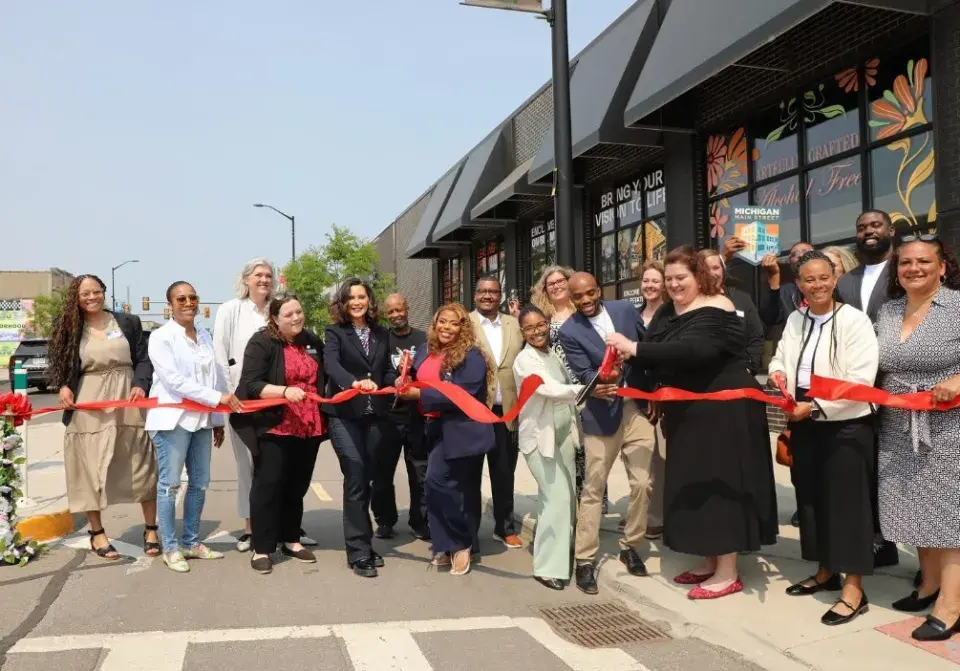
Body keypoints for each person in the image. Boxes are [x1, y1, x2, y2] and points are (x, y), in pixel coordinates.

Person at [607, 246, 778, 599]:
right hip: (689, 412)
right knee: (696, 484)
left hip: (725, 412)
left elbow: (693, 351)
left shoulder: (719, 306)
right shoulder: (671, 309)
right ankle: (708, 558)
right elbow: (654, 346)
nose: (673, 285)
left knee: (721, 484)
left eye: (680, 278)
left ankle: (728, 571)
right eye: (668, 279)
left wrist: (634, 349)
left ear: (699, 276)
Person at [768, 251, 879, 626]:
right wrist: (778, 375)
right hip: (803, 421)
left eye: (822, 278)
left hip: (844, 423)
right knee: (811, 499)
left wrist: (814, 406)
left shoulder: (855, 320)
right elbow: (781, 357)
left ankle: (854, 589)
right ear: (798, 284)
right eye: (807, 279)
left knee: (847, 505)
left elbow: (861, 380)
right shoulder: (797, 319)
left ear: (835, 279)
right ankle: (825, 570)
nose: (815, 285)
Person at [875, 233, 960, 641]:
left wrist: (958, 380)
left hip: (947, 424)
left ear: (942, 266)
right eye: (905, 262)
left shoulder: (957, 306)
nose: (913, 268)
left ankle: (952, 604)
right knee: (911, 503)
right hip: (896, 423)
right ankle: (929, 584)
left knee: (947, 512)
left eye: (923, 261)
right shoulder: (888, 311)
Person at [558, 272, 656, 595]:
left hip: (635, 408)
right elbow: (582, 371)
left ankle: (630, 545)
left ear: (598, 290)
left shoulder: (625, 312)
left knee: (643, 482)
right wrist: (600, 381)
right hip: (601, 414)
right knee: (593, 488)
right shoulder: (570, 331)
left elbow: (647, 349)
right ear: (571, 299)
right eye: (578, 297)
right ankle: (584, 560)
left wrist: (652, 391)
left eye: (589, 294)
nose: (585, 301)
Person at [48, 274, 159, 560]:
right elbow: (62, 363)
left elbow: (143, 359)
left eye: (96, 292)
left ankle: (151, 529)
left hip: (127, 398)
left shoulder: (127, 322)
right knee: (88, 467)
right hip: (89, 402)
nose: (91, 297)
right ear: (76, 297)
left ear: (104, 292)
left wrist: (140, 383)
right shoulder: (71, 328)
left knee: (141, 463)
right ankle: (97, 534)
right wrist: (63, 386)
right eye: (85, 294)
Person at [213, 259, 317, 552]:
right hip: (243, 397)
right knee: (250, 466)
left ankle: (287, 527)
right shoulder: (230, 310)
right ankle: (252, 527)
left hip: (284, 403)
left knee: (284, 468)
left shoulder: (282, 306)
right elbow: (220, 356)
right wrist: (226, 399)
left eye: (268, 275)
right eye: (258, 275)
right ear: (245, 279)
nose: (264, 280)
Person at [146, 281, 243, 573]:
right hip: (173, 421)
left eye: (193, 297)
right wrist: (218, 399)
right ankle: (171, 547)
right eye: (181, 298)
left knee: (200, 483)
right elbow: (174, 381)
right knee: (170, 485)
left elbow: (213, 378)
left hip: (201, 421)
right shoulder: (161, 337)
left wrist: (217, 420)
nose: (188, 302)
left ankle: (190, 541)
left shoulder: (203, 335)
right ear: (170, 305)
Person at [399, 303, 495, 576]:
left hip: (462, 429)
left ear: (463, 327)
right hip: (431, 426)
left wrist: (419, 396)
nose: (447, 328)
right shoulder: (426, 350)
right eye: (442, 321)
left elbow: (462, 393)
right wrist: (403, 381)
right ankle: (446, 545)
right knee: (436, 489)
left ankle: (463, 544)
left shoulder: (472, 355)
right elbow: (416, 376)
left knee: (440, 483)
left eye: (454, 323)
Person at [232, 293, 325, 575]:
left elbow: (325, 374)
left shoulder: (309, 340)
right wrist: (284, 391)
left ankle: (291, 539)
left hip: (308, 424)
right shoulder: (262, 342)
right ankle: (261, 547)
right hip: (276, 424)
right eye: (288, 314)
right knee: (268, 486)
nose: (296, 318)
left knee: (297, 485)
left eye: (299, 312)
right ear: (274, 318)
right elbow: (250, 384)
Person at [837, 210, 900, 570]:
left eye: (875, 226)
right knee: (870, 465)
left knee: (905, 468)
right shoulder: (846, 281)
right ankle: (881, 541)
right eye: (861, 228)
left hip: (899, 383)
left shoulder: (905, 270)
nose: (868, 232)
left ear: (890, 230)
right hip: (860, 386)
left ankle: (931, 558)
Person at [322, 278, 396, 578]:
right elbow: (332, 365)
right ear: (343, 302)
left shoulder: (381, 333)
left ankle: (364, 542)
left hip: (374, 416)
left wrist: (393, 383)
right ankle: (358, 552)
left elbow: (388, 370)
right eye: (351, 297)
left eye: (362, 297)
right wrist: (354, 383)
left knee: (368, 477)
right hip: (344, 415)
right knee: (355, 475)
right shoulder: (335, 332)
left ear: (369, 300)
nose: (357, 302)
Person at [530, 265, 611, 513]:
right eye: (550, 283)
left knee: (589, 446)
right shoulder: (541, 315)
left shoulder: (587, 311)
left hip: (586, 384)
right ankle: (567, 501)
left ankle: (592, 503)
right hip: (559, 387)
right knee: (563, 443)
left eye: (560, 281)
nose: (555, 286)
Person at [513, 305, 581, 590]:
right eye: (529, 328)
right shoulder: (524, 361)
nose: (536, 331)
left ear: (547, 323)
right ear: (522, 332)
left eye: (540, 325)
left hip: (563, 434)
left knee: (568, 497)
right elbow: (549, 388)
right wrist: (587, 389)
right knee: (557, 497)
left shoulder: (552, 353)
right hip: (541, 439)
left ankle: (562, 551)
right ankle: (546, 567)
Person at [470, 275, 524, 549]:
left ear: (500, 295)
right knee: (470, 476)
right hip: (475, 412)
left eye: (493, 291)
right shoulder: (464, 324)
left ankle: (504, 528)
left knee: (504, 473)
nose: (487, 296)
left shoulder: (515, 324)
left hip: (507, 413)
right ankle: (470, 533)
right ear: (475, 295)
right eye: (482, 292)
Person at [371, 293, 429, 541]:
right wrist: (391, 379)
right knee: (382, 473)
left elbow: (430, 370)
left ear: (407, 309)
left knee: (420, 474)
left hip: (417, 417)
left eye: (399, 310)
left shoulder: (423, 339)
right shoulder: (381, 339)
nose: (396, 315)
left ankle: (420, 521)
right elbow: (378, 371)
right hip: (388, 417)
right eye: (391, 312)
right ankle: (385, 520)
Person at [700, 248, 765, 375]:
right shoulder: (692, 301)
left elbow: (756, 337)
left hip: (737, 376)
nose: (712, 273)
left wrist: (749, 367)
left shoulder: (742, 299)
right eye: (705, 269)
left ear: (723, 270)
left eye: (715, 268)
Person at [755, 241, 815, 329]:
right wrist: (774, 278)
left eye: (805, 251)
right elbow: (770, 318)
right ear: (790, 263)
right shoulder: (786, 291)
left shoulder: (830, 284)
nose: (800, 255)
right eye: (795, 254)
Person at [638, 261, 667, 328]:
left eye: (655, 281)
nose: (649, 285)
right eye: (645, 281)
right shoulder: (633, 315)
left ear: (664, 286)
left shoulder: (670, 315)